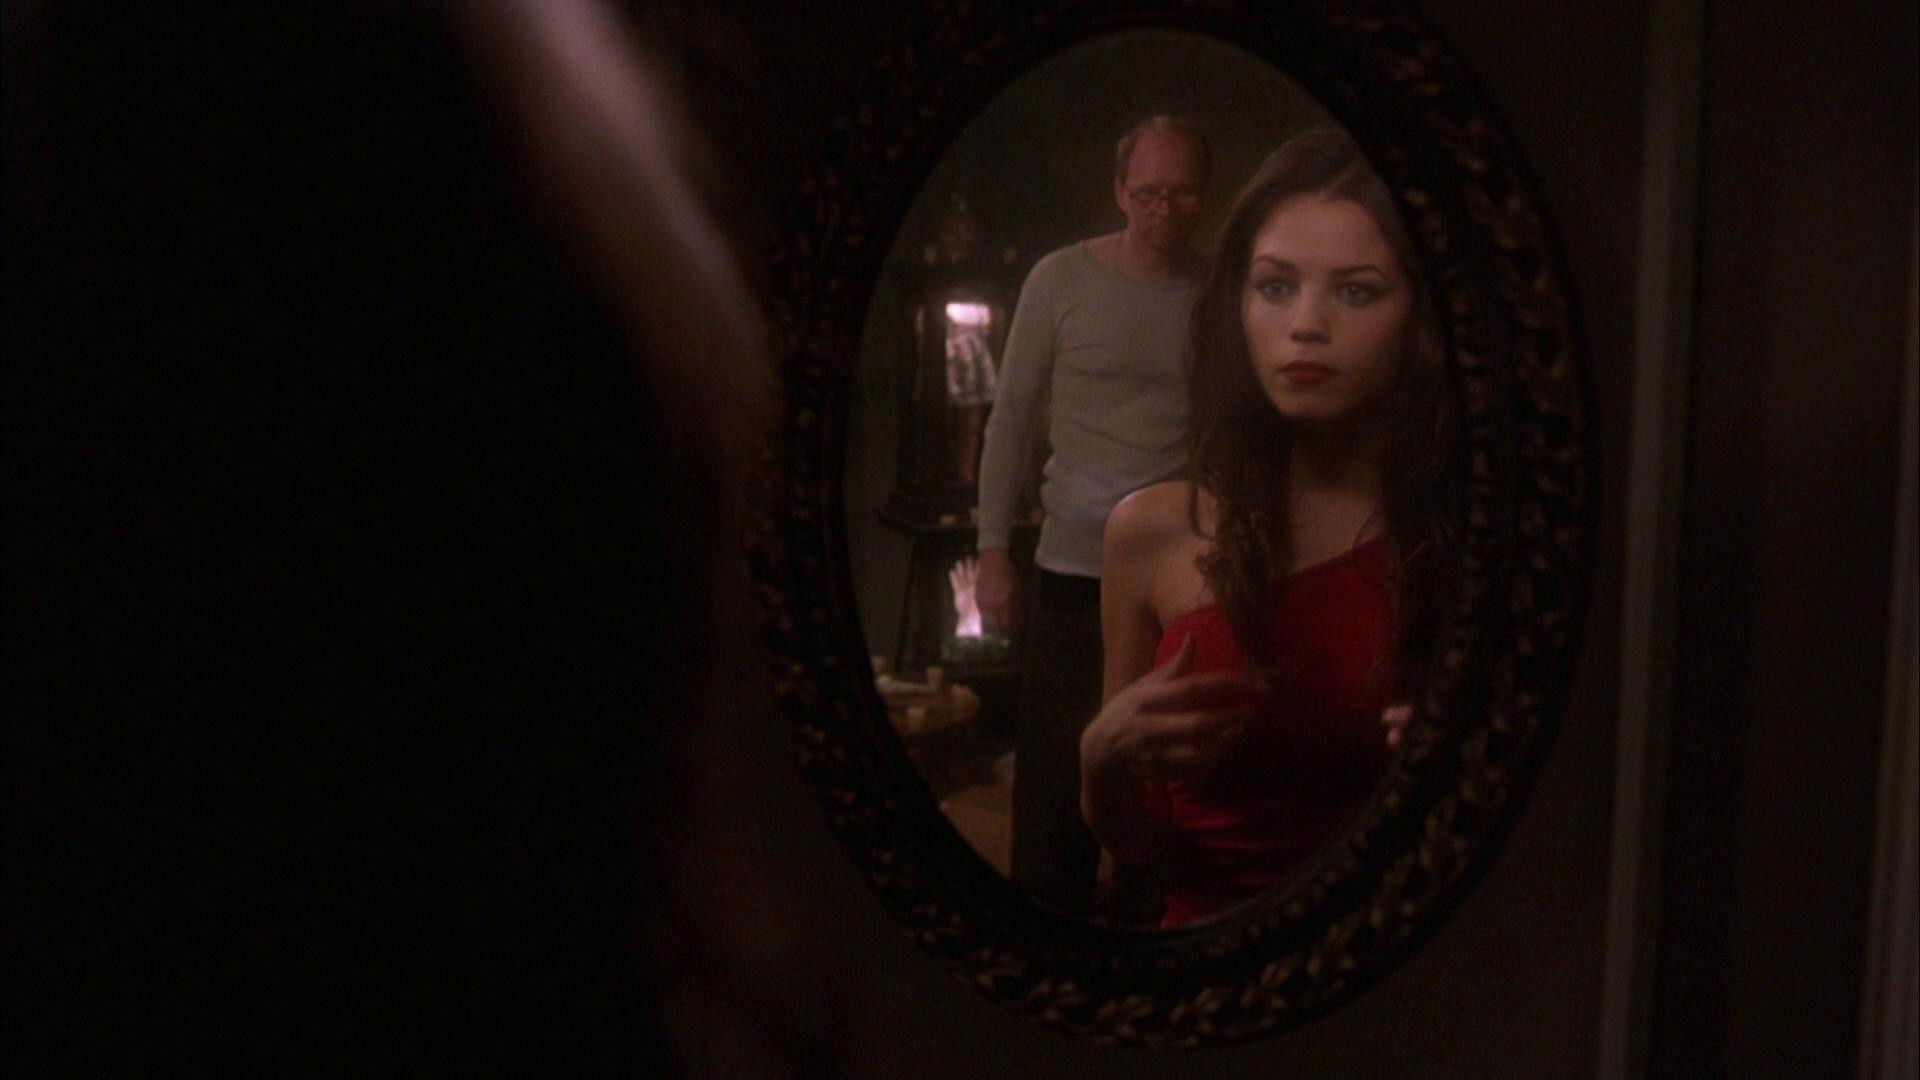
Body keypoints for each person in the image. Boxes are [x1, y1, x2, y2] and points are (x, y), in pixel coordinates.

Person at [1078, 129, 1459, 928]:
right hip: (1206, 961)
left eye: (1356, 292)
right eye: (1276, 286)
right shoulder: (1152, 531)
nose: (1306, 324)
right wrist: (1100, 760)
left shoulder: (1463, 535)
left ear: (1420, 317)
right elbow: (1136, 841)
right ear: (1237, 306)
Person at [972, 115, 1212, 918]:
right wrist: (993, 549)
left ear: (1203, 198)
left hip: (1176, 575)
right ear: (1119, 191)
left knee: (1160, 768)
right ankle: (1045, 929)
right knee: (1054, 775)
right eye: (1148, 193)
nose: (1164, 210)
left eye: (1182, 194)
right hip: (1073, 568)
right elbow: (1009, 419)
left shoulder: (1216, 293)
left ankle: (1154, 932)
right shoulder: (1060, 280)